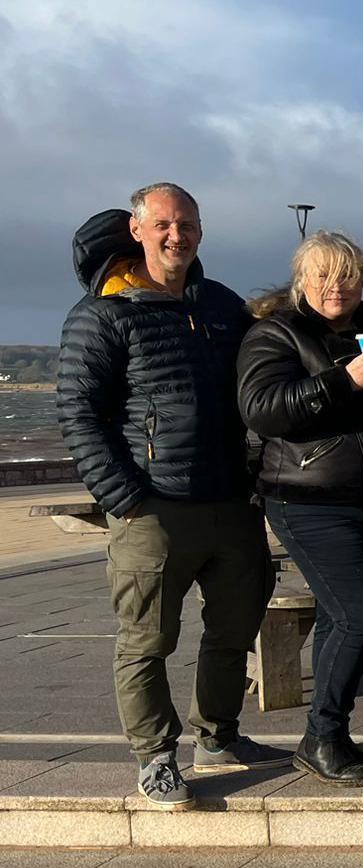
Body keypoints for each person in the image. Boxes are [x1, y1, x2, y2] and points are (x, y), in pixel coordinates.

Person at [57, 185, 276, 810]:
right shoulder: (102, 314)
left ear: (200, 231)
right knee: (146, 640)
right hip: (151, 507)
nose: (175, 235)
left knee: (235, 630)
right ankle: (155, 757)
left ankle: (218, 736)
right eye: (162, 224)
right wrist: (120, 495)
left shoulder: (223, 307)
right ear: (136, 229)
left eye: (186, 224)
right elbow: (79, 412)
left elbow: (260, 381)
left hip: (231, 502)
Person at [236, 231, 363, 786]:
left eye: (348, 275)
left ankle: (327, 736)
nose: (337, 286)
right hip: (307, 498)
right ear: (303, 282)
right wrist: (342, 379)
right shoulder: (276, 333)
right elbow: (262, 409)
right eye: (324, 276)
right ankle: (322, 734)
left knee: (342, 614)